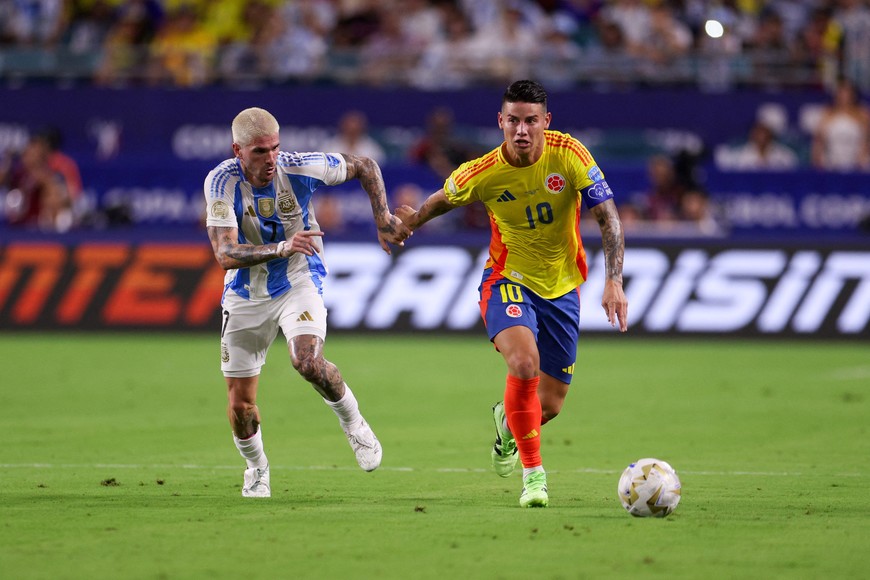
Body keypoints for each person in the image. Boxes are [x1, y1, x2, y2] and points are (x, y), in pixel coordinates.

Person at [395, 80, 628, 508]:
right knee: (523, 364)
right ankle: (534, 476)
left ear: (546, 122)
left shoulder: (570, 154)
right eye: (514, 121)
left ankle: (506, 423)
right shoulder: (483, 171)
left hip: (561, 287)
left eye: (531, 121)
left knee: (551, 404)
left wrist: (614, 278)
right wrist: (410, 223)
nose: (522, 130)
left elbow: (608, 217)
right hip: (507, 279)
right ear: (501, 122)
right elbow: (441, 200)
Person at [203, 107, 411, 498]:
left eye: (275, 149)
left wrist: (382, 217)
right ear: (238, 150)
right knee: (241, 406)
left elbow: (365, 165)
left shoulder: (299, 167)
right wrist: (282, 245)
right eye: (260, 152)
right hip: (246, 294)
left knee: (307, 360)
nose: (270, 159)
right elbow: (225, 253)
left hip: (299, 279)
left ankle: (354, 423)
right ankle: (257, 468)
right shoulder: (220, 182)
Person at [811, 78, 870, 171]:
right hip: (832, 161)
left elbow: (867, 139)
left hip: (858, 160)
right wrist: (817, 160)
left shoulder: (862, 114)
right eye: (841, 92)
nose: (844, 96)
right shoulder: (827, 114)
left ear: (853, 95)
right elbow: (818, 140)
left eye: (847, 92)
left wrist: (862, 158)